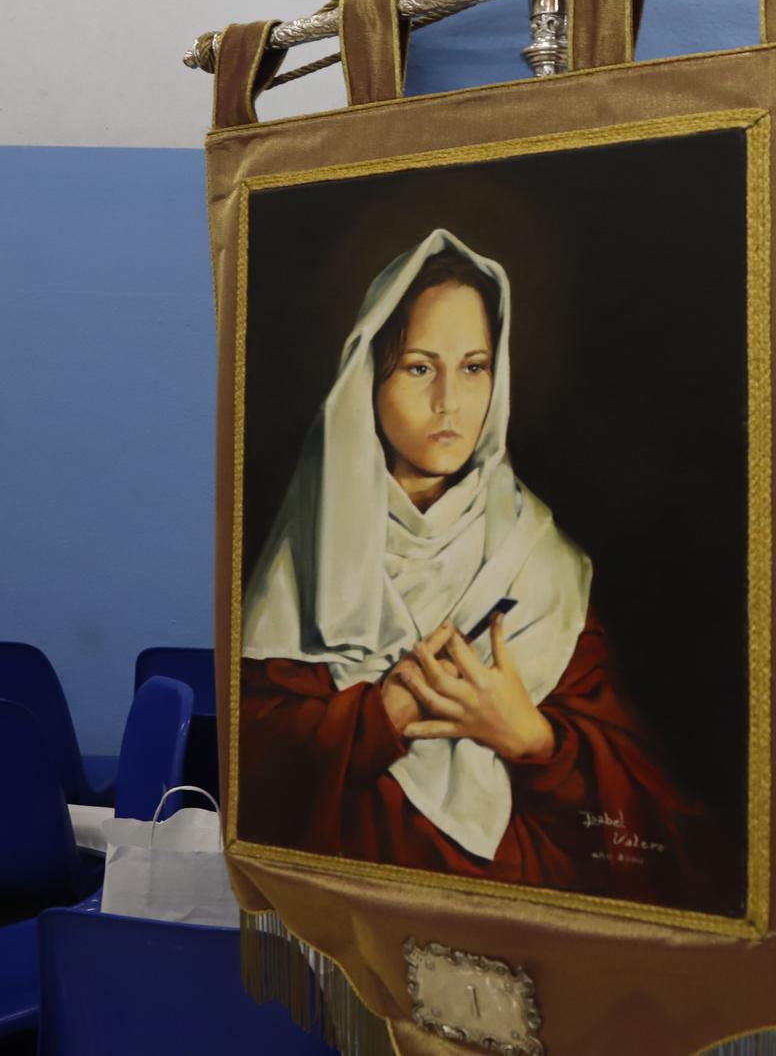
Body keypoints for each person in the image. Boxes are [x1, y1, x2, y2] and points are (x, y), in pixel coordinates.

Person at [234, 229, 716, 911]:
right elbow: (249, 768)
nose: (449, 404)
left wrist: (535, 740)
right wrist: (380, 716)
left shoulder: (541, 561)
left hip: (511, 906)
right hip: (345, 908)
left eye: (474, 366)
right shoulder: (307, 552)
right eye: (419, 368)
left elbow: (653, 819)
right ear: (367, 378)